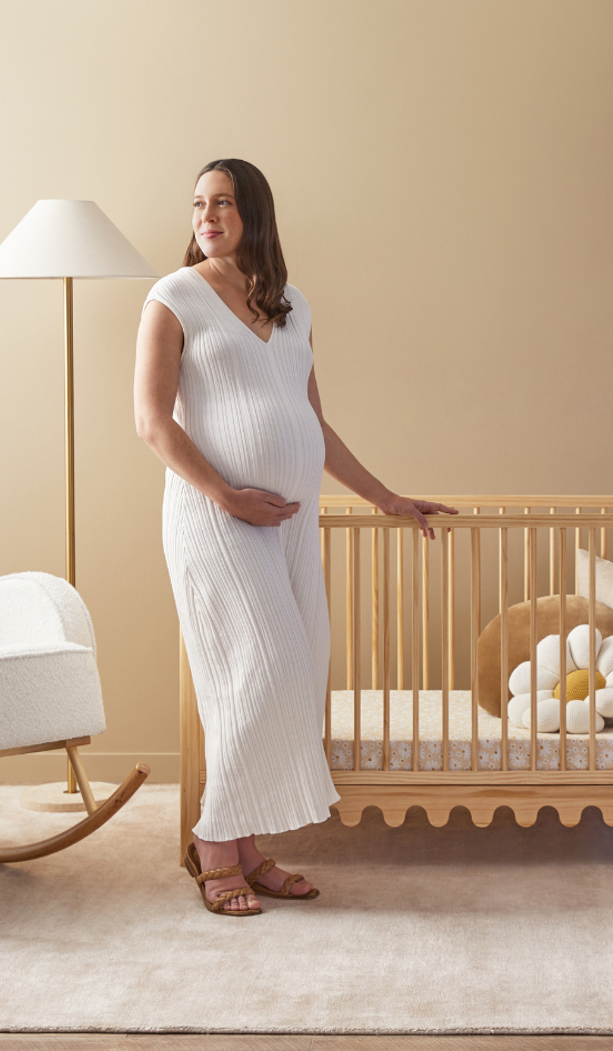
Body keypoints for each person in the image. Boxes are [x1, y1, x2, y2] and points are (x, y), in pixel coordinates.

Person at [134, 158, 455, 916]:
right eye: (198, 204)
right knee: (261, 670)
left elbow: (312, 420)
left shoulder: (291, 305)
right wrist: (226, 495)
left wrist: (383, 497)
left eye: (223, 203)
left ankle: (247, 849)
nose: (206, 217)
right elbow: (151, 421)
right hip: (215, 519)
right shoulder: (173, 297)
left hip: (289, 523)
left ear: (255, 214)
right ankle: (214, 844)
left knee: (296, 673)